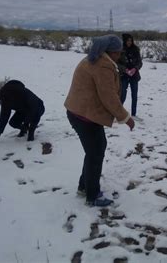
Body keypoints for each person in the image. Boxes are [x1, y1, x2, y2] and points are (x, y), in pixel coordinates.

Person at [65, 35, 135, 207]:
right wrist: (126, 118)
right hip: (85, 116)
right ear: (110, 52)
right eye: (118, 53)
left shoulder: (94, 59)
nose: (120, 55)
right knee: (96, 153)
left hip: (81, 113)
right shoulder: (102, 65)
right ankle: (92, 195)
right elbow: (109, 97)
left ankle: (85, 187)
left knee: (94, 152)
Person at [118, 33, 143, 118]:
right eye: (128, 40)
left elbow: (140, 62)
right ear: (124, 40)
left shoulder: (136, 49)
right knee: (122, 94)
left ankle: (133, 114)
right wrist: (124, 69)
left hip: (134, 75)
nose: (129, 42)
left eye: (131, 40)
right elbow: (117, 63)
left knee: (134, 95)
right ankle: (119, 113)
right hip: (124, 75)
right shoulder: (120, 50)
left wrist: (135, 69)